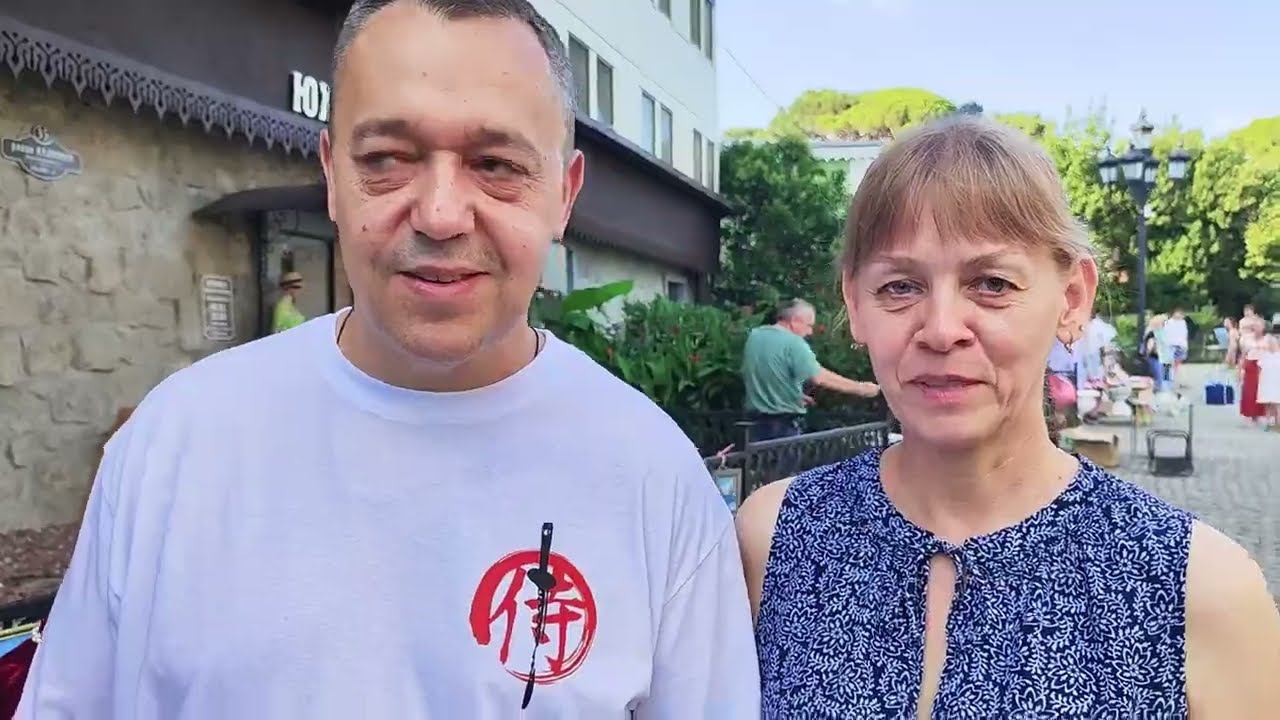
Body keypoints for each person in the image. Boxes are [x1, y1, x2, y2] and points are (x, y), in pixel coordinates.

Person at [18, 2, 759, 717]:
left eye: (496, 164)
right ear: (332, 175)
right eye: (386, 160)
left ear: (563, 195)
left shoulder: (654, 481)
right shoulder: (174, 445)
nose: (439, 214)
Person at [736, 116, 1280, 718]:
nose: (941, 329)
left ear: (1071, 298)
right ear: (854, 303)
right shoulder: (772, 538)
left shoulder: (1200, 588)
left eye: (991, 283)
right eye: (900, 287)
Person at [741, 299, 880, 441]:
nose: (810, 332)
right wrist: (862, 388)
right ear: (794, 321)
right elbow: (819, 377)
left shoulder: (755, 336)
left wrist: (790, 394)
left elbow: (769, 371)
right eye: (809, 326)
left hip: (754, 424)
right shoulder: (794, 342)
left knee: (760, 456)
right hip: (783, 426)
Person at [1144, 314, 1173, 392]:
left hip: (1159, 357)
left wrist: (1147, 354)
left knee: (1161, 375)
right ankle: (1165, 389)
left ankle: (1163, 389)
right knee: (1166, 376)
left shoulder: (1152, 332)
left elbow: (1149, 347)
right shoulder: (1162, 332)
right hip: (1164, 357)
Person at [1257, 334, 1280, 430]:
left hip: (1276, 382)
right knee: (1267, 403)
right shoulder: (1264, 355)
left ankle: (1278, 422)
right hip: (1266, 381)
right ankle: (1268, 422)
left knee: (1277, 403)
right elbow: (1259, 368)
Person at [1165, 307, 1190, 384]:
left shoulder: (1182, 323)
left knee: (1176, 364)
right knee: (1173, 363)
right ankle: (1173, 379)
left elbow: (1184, 335)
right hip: (1173, 345)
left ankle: (1174, 379)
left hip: (1179, 345)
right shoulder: (1170, 322)